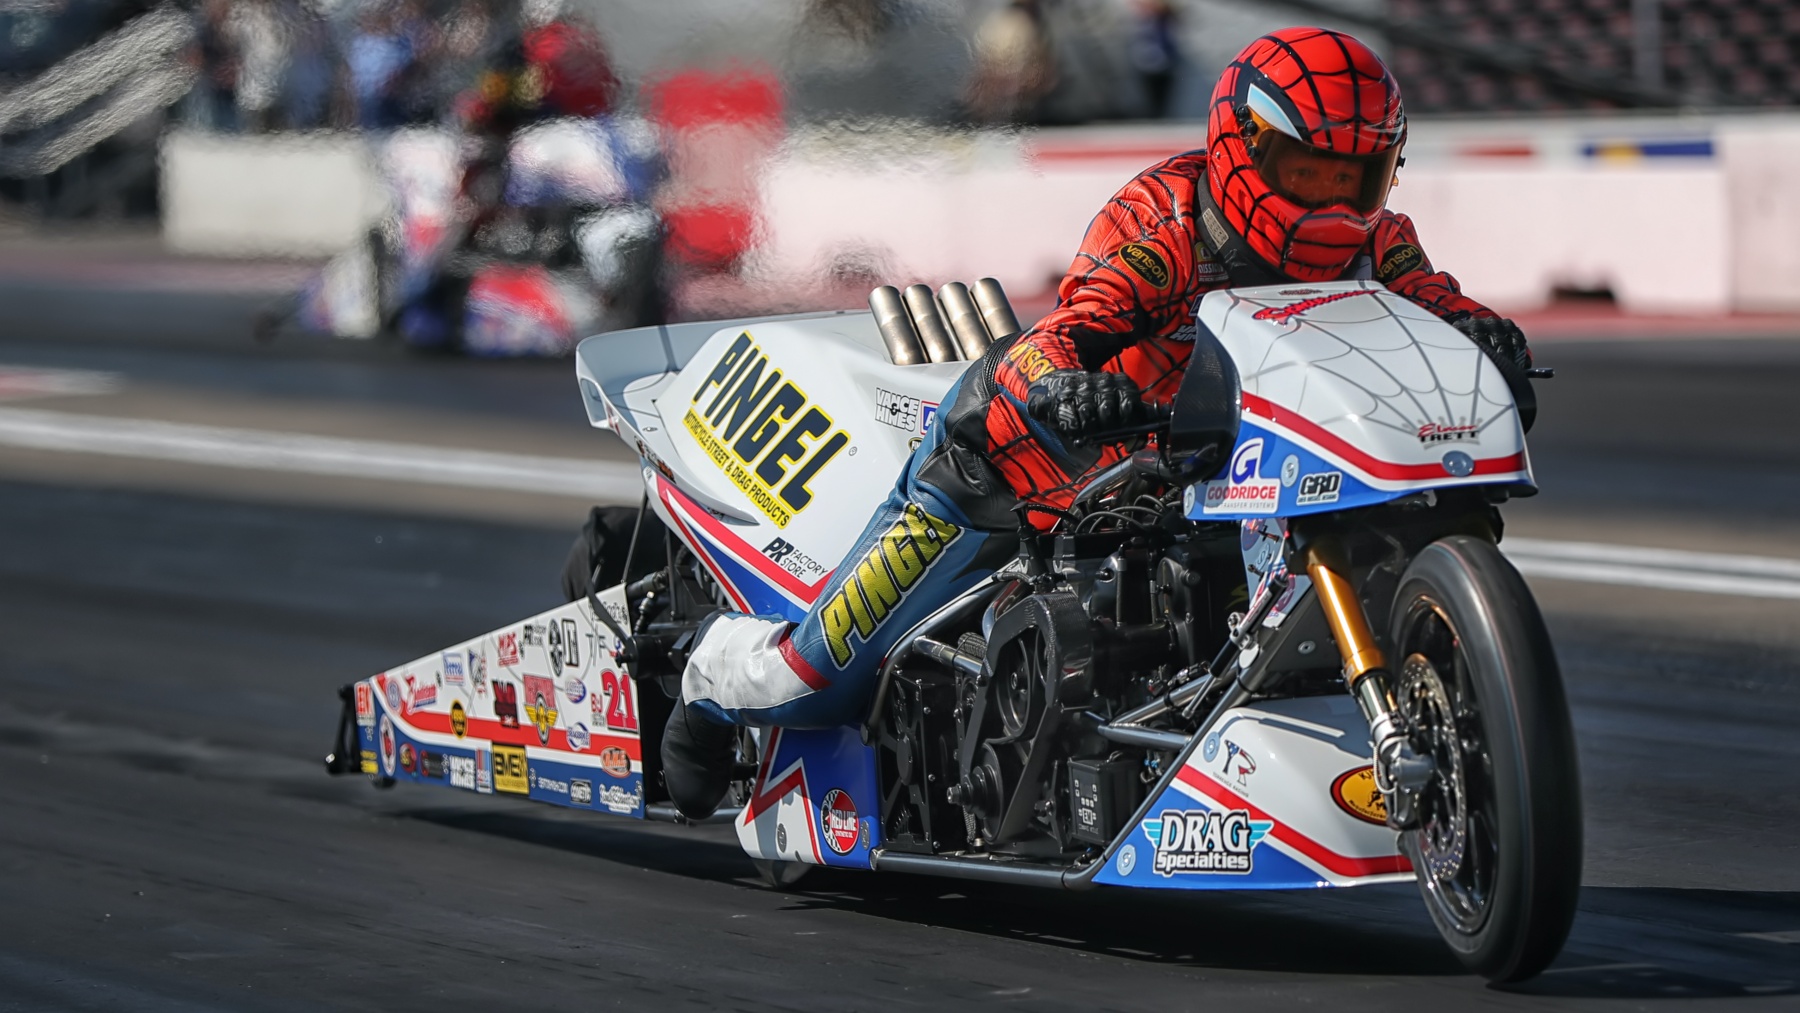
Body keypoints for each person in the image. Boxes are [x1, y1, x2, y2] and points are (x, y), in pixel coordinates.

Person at [661, 26, 1535, 818]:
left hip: (1191, 478)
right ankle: (709, 672)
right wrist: (1068, 388)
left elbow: (1434, 309)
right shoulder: (1164, 224)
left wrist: (1484, 340)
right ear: (1247, 149)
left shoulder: (1381, 241)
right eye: (1307, 172)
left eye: (1355, 177)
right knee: (811, 682)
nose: (1331, 200)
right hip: (1012, 470)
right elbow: (1066, 330)